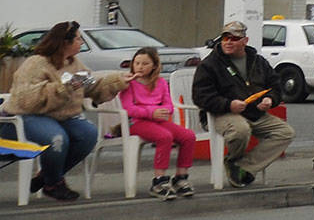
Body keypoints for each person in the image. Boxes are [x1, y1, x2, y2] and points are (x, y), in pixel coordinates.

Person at [1, 22, 128, 201]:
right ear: (64, 42)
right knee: (57, 138)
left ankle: (46, 177)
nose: (82, 42)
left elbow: (92, 86)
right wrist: (63, 88)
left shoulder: (74, 64)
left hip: (60, 118)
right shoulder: (36, 63)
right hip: (24, 118)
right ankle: (53, 184)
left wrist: (119, 80)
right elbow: (26, 99)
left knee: (89, 134)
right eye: (78, 38)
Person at [192, 20, 295, 187]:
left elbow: (275, 85)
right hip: (221, 114)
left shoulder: (258, 61)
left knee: (285, 132)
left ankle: (242, 166)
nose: (228, 42)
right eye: (225, 38)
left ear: (245, 41)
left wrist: (270, 99)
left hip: (254, 112)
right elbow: (201, 96)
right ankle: (233, 161)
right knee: (241, 130)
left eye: (234, 38)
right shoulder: (210, 64)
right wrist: (228, 104)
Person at [119, 46, 196, 199]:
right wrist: (151, 112)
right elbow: (128, 108)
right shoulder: (129, 83)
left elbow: (168, 104)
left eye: (145, 64)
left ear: (154, 65)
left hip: (158, 120)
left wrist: (165, 111)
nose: (140, 67)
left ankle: (181, 177)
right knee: (164, 137)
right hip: (137, 123)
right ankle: (159, 180)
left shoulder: (160, 82)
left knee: (188, 136)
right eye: (137, 63)